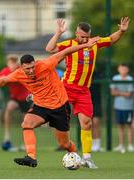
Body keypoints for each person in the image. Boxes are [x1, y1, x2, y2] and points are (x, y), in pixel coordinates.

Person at [0, 37, 98, 167]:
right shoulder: (18, 74)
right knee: (27, 124)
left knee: (64, 144)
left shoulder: (46, 64)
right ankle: (31, 157)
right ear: (21, 67)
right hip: (41, 107)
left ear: (35, 63)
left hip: (60, 107)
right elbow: (3, 81)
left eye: (33, 67)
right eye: (27, 69)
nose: (31, 71)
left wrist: (86, 46)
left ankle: (75, 155)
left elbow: (66, 52)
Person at [46, 17, 130, 168]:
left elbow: (111, 39)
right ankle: (40, 97)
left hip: (84, 91)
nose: (85, 40)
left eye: (87, 37)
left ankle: (87, 158)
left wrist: (122, 31)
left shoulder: (94, 43)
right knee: (56, 117)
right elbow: (49, 49)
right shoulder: (69, 44)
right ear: (76, 33)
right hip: (67, 87)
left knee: (87, 123)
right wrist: (58, 33)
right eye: (82, 37)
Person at [0, 54, 32, 150]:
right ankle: (7, 136)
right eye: (10, 62)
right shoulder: (6, 70)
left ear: (17, 63)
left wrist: (6, 78)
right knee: (8, 109)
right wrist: (1, 78)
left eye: (14, 62)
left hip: (25, 98)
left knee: (26, 122)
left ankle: (25, 143)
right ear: (7, 63)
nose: (12, 64)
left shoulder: (21, 70)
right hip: (15, 98)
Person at [110, 63, 134, 153]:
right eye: (122, 69)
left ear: (127, 69)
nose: (123, 70)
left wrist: (118, 92)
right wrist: (123, 93)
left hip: (128, 107)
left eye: (125, 69)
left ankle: (130, 145)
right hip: (118, 106)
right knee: (120, 126)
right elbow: (113, 92)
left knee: (129, 126)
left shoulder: (130, 79)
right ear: (119, 69)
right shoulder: (115, 78)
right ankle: (121, 145)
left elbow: (129, 94)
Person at [90, 71, 104, 152]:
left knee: (96, 123)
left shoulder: (98, 74)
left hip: (96, 102)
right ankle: (91, 144)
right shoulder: (84, 73)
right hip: (87, 101)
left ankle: (97, 144)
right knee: (89, 124)